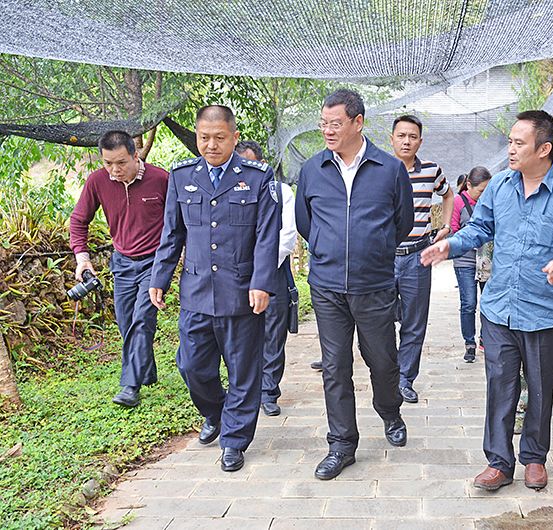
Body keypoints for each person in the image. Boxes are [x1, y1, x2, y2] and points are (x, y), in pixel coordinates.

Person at [421, 110, 553, 491]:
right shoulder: (500, 186)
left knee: (540, 390)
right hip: (499, 308)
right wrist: (450, 245)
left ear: (544, 149)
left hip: (545, 312)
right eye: (511, 141)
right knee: (500, 387)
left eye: (519, 143)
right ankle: (499, 462)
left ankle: (534, 457)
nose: (511, 149)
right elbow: (480, 229)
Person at [148, 105, 282, 472]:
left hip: (241, 292)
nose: (211, 145)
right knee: (192, 366)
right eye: (204, 138)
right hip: (196, 291)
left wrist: (261, 283)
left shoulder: (257, 177)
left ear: (234, 138)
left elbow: (266, 236)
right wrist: (159, 277)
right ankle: (216, 412)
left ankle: (234, 440)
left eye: (220, 138)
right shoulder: (182, 176)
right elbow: (172, 233)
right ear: (196, 137)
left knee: (243, 372)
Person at [295, 89, 414, 480]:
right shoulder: (313, 170)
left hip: (374, 284)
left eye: (336, 124)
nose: (328, 131)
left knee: (382, 360)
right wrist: (329, 249)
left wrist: (373, 250)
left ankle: (389, 411)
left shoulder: (389, 169)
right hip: (327, 286)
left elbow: (402, 223)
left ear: (358, 122)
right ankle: (342, 444)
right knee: (335, 366)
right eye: (323, 124)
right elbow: (305, 223)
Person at [69, 130, 168, 408]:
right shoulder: (97, 181)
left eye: (121, 162)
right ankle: (147, 372)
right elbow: (78, 221)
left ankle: (130, 387)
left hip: (154, 262)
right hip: (122, 262)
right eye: (108, 163)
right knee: (127, 323)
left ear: (136, 155)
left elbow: (178, 221)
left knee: (142, 319)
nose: (114, 170)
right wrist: (82, 258)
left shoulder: (161, 179)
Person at [391, 114, 454, 403]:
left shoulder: (431, 170)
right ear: (392, 139)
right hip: (383, 259)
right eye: (401, 135)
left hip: (418, 256)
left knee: (414, 322)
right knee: (380, 319)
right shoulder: (381, 168)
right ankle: (386, 375)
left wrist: (446, 226)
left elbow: (448, 194)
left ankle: (405, 379)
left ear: (420, 141)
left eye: (412, 136)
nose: (406, 141)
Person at [235, 140, 298, 417]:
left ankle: (269, 390)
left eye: (250, 164)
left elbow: (288, 235)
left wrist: (262, 268)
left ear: (262, 164)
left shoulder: (281, 192)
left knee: (273, 334)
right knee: (241, 335)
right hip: (238, 275)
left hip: (274, 272)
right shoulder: (230, 191)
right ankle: (245, 390)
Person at [450, 167, 492, 363]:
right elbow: (453, 230)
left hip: (487, 260)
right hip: (465, 259)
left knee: (488, 302)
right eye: (481, 190)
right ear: (468, 185)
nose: (484, 194)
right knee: (468, 303)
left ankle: (485, 338)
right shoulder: (458, 202)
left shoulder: (490, 202)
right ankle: (469, 343)